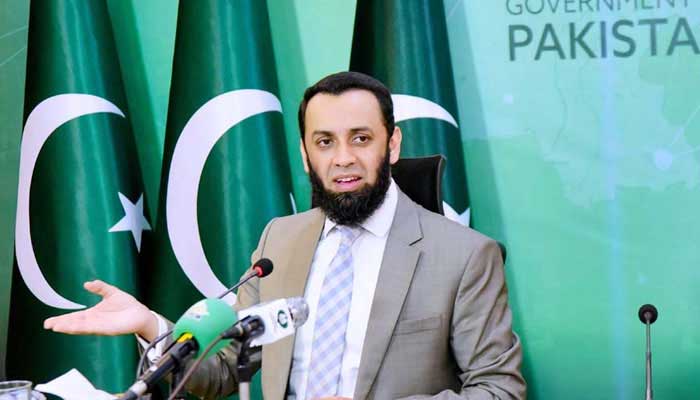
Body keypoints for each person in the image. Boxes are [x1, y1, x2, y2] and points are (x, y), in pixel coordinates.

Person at [44, 71, 526, 399]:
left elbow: (499, 390)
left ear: (392, 144)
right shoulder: (280, 239)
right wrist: (151, 324)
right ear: (304, 153)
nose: (342, 159)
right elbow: (223, 370)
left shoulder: (464, 255)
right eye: (325, 142)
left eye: (361, 138)